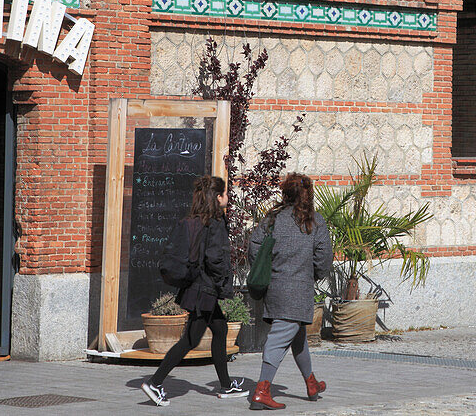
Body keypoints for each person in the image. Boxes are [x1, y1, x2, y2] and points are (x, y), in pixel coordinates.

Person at [141, 175, 248, 406]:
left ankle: (226, 385)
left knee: (219, 330)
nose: (228, 197)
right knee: (189, 340)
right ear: (217, 197)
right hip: (205, 290)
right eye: (225, 193)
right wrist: (223, 283)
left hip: (198, 287)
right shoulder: (216, 222)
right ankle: (155, 382)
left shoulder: (199, 220)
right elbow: (214, 258)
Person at [246, 173, 333, 410]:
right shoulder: (315, 222)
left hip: (274, 289)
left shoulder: (271, 220)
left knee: (298, 337)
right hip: (299, 289)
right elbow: (323, 260)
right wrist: (312, 275)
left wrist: (268, 271)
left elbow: (254, 248)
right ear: (308, 194)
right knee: (278, 338)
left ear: (286, 193)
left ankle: (311, 383)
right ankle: (262, 391)